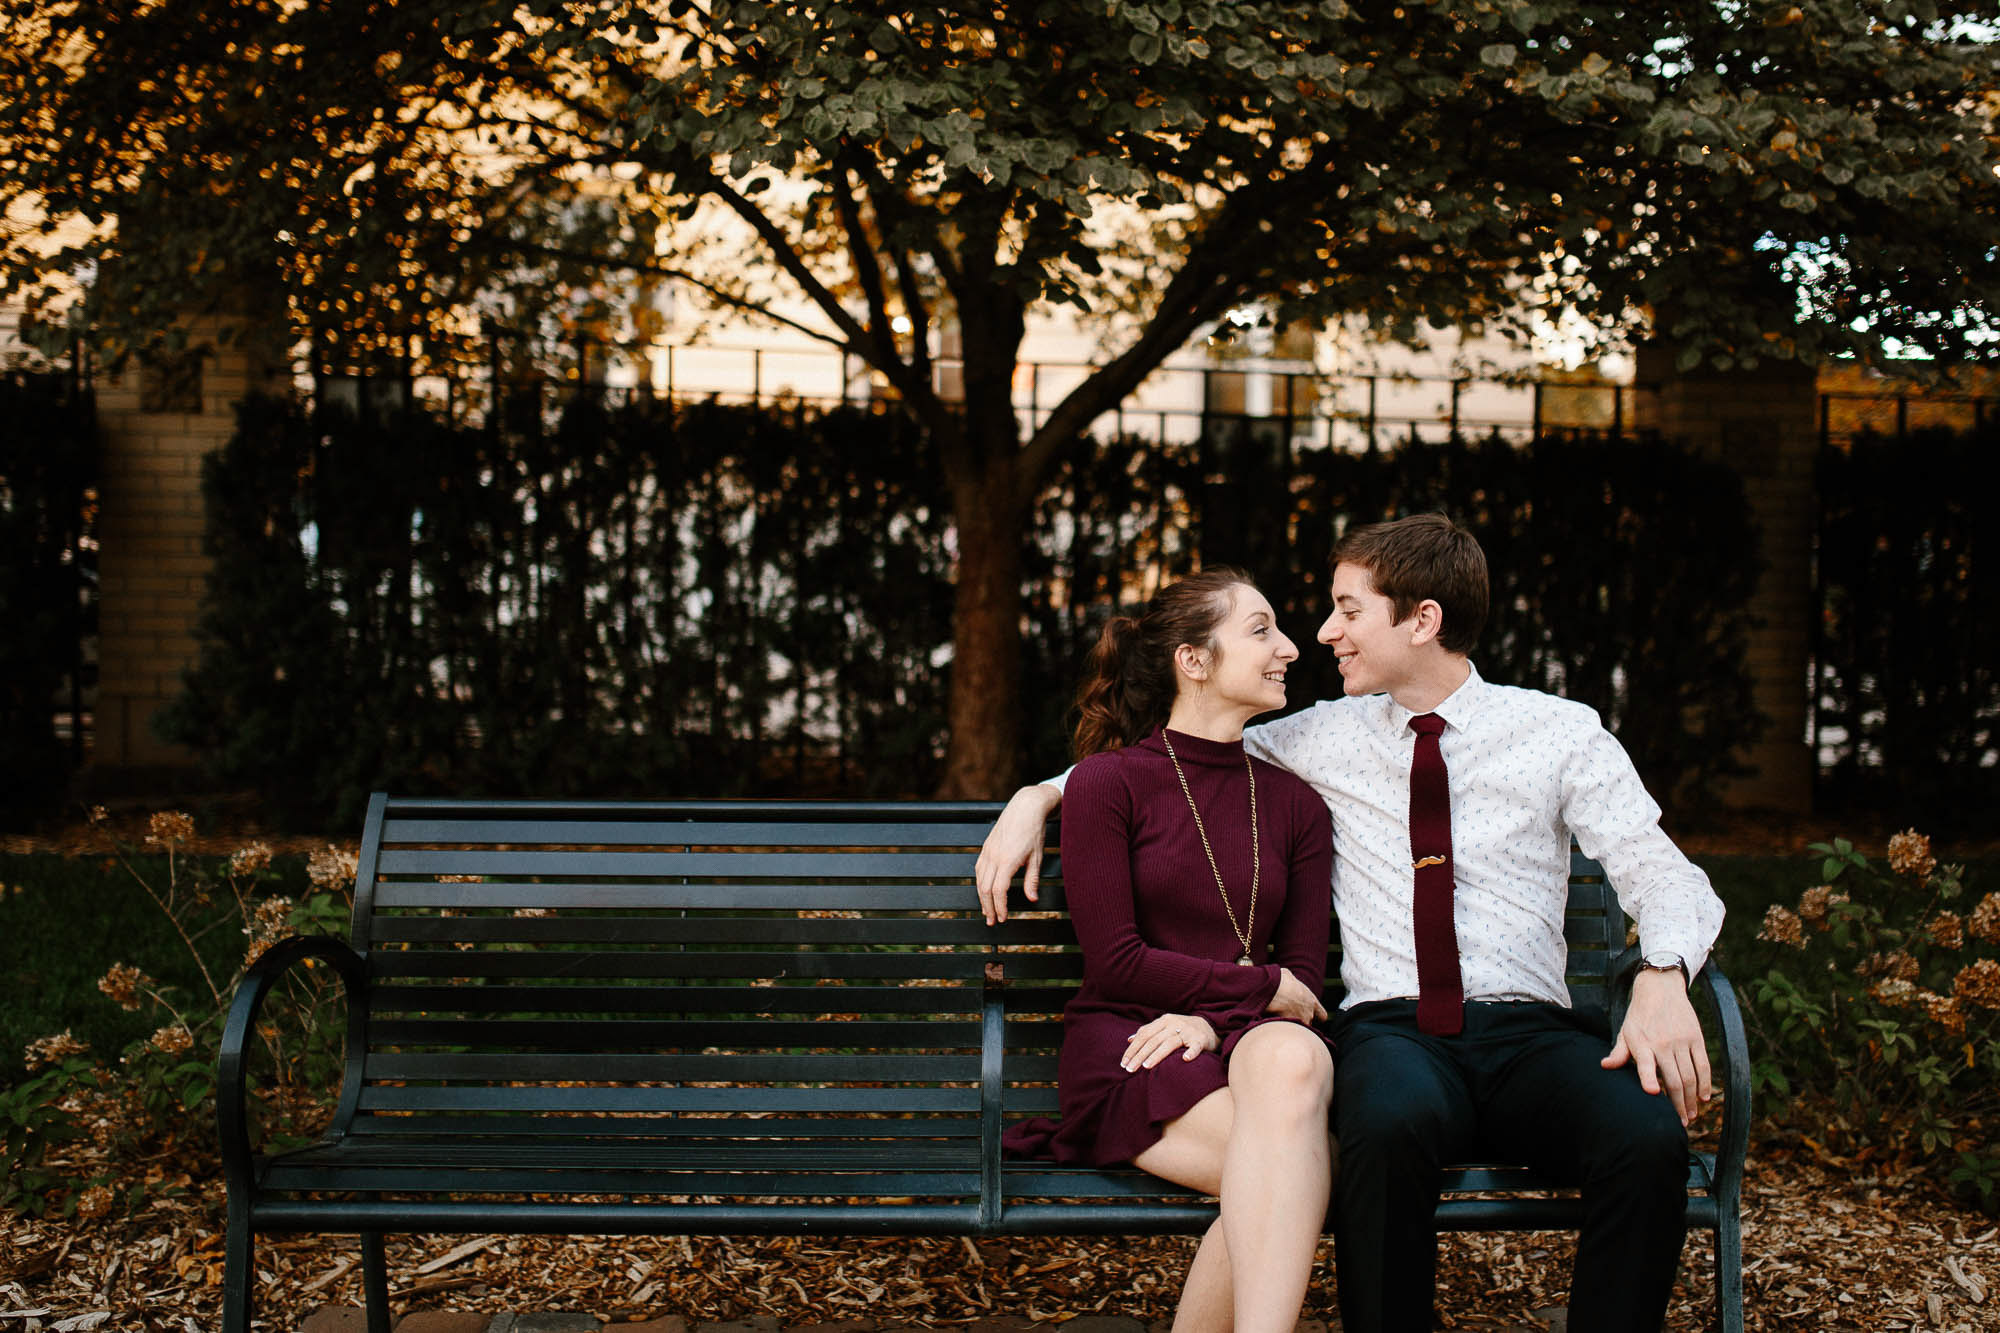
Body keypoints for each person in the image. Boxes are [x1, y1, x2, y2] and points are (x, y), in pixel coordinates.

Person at [977, 514, 1725, 1333]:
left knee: (1648, 1138)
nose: (1323, 633)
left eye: (1347, 609)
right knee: (1381, 1124)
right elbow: (1178, 755)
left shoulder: (1559, 732)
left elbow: (1661, 871)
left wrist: (1663, 973)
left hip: (1531, 1035)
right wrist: (1041, 793)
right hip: (1394, 1034)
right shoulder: (1319, 736)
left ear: (1422, 619)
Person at [1000, 567, 1337, 1333]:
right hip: (1132, 1045)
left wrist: (1215, 1019)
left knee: (1293, 1066)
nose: (1288, 647)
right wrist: (1244, 990)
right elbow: (1117, 960)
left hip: (1242, 1044)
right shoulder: (1107, 785)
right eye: (1260, 630)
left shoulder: (1295, 803)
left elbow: (1304, 984)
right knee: (1302, 1176)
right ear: (1194, 659)